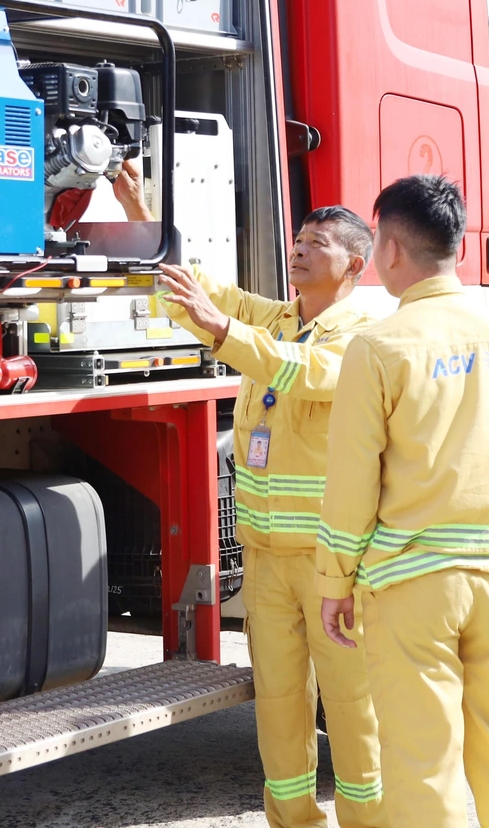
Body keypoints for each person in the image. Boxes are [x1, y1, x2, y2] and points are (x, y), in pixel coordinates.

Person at [316, 175, 489, 828]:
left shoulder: (379, 346)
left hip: (412, 581)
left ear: (389, 249)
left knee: (424, 765)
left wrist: (334, 580)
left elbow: (352, 480)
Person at [159, 206, 384, 828]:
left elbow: (305, 373)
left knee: (350, 703)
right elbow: (198, 295)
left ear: (355, 266)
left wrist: (223, 329)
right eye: (299, 240)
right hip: (263, 554)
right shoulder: (283, 319)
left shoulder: (360, 333)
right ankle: (292, 820)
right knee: (279, 705)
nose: (300, 251)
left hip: (329, 559)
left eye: (318, 245)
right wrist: (141, 218)